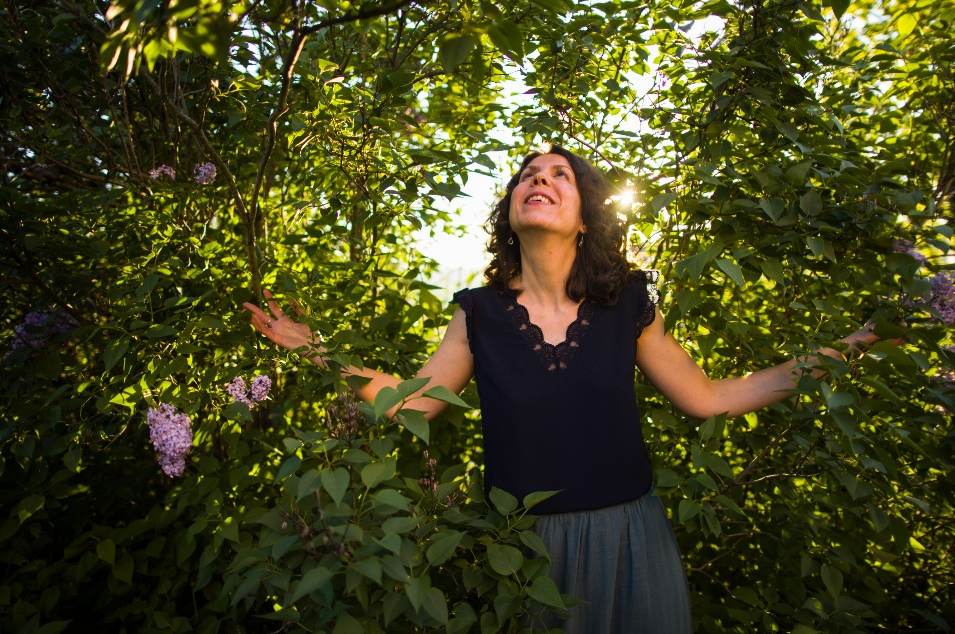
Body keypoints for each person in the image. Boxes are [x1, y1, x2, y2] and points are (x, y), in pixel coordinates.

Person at [244, 145, 883, 633]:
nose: (539, 180)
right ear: (511, 211)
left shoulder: (627, 303)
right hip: (522, 552)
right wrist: (317, 351)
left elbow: (709, 397)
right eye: (527, 175)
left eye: (558, 175)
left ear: (584, 220)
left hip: (633, 543)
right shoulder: (478, 312)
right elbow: (419, 400)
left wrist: (856, 344)